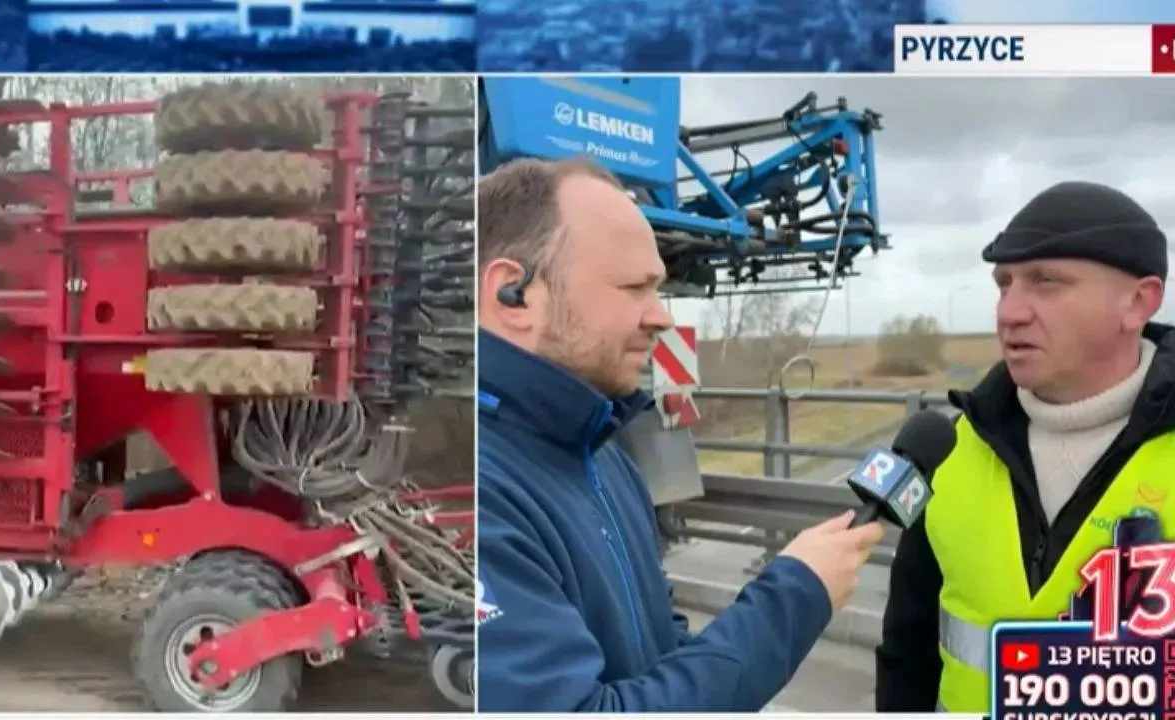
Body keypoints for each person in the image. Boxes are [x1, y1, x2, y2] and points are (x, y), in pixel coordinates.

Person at [475, 156, 886, 712]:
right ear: (514, 294)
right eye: (634, 288)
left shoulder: (604, 453)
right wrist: (794, 598)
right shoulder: (469, 493)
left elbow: (660, 653)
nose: (661, 316)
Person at [876, 181, 1173, 713]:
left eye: (1046, 282)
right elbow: (908, 651)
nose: (1010, 312)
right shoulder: (950, 452)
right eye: (1004, 284)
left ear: (1138, 302)